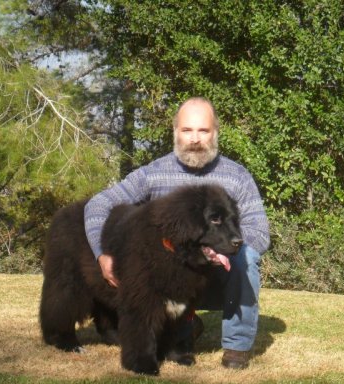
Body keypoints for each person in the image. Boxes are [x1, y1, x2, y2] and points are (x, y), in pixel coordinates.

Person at [84, 97, 270, 369]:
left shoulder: (237, 177)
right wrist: (103, 254)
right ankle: (181, 327)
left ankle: (236, 348)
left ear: (215, 133)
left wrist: (214, 251)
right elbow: (99, 204)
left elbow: (260, 232)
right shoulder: (153, 174)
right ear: (175, 133)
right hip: (170, 277)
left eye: (203, 131)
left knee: (248, 257)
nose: (195, 138)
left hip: (219, 274)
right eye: (187, 130)